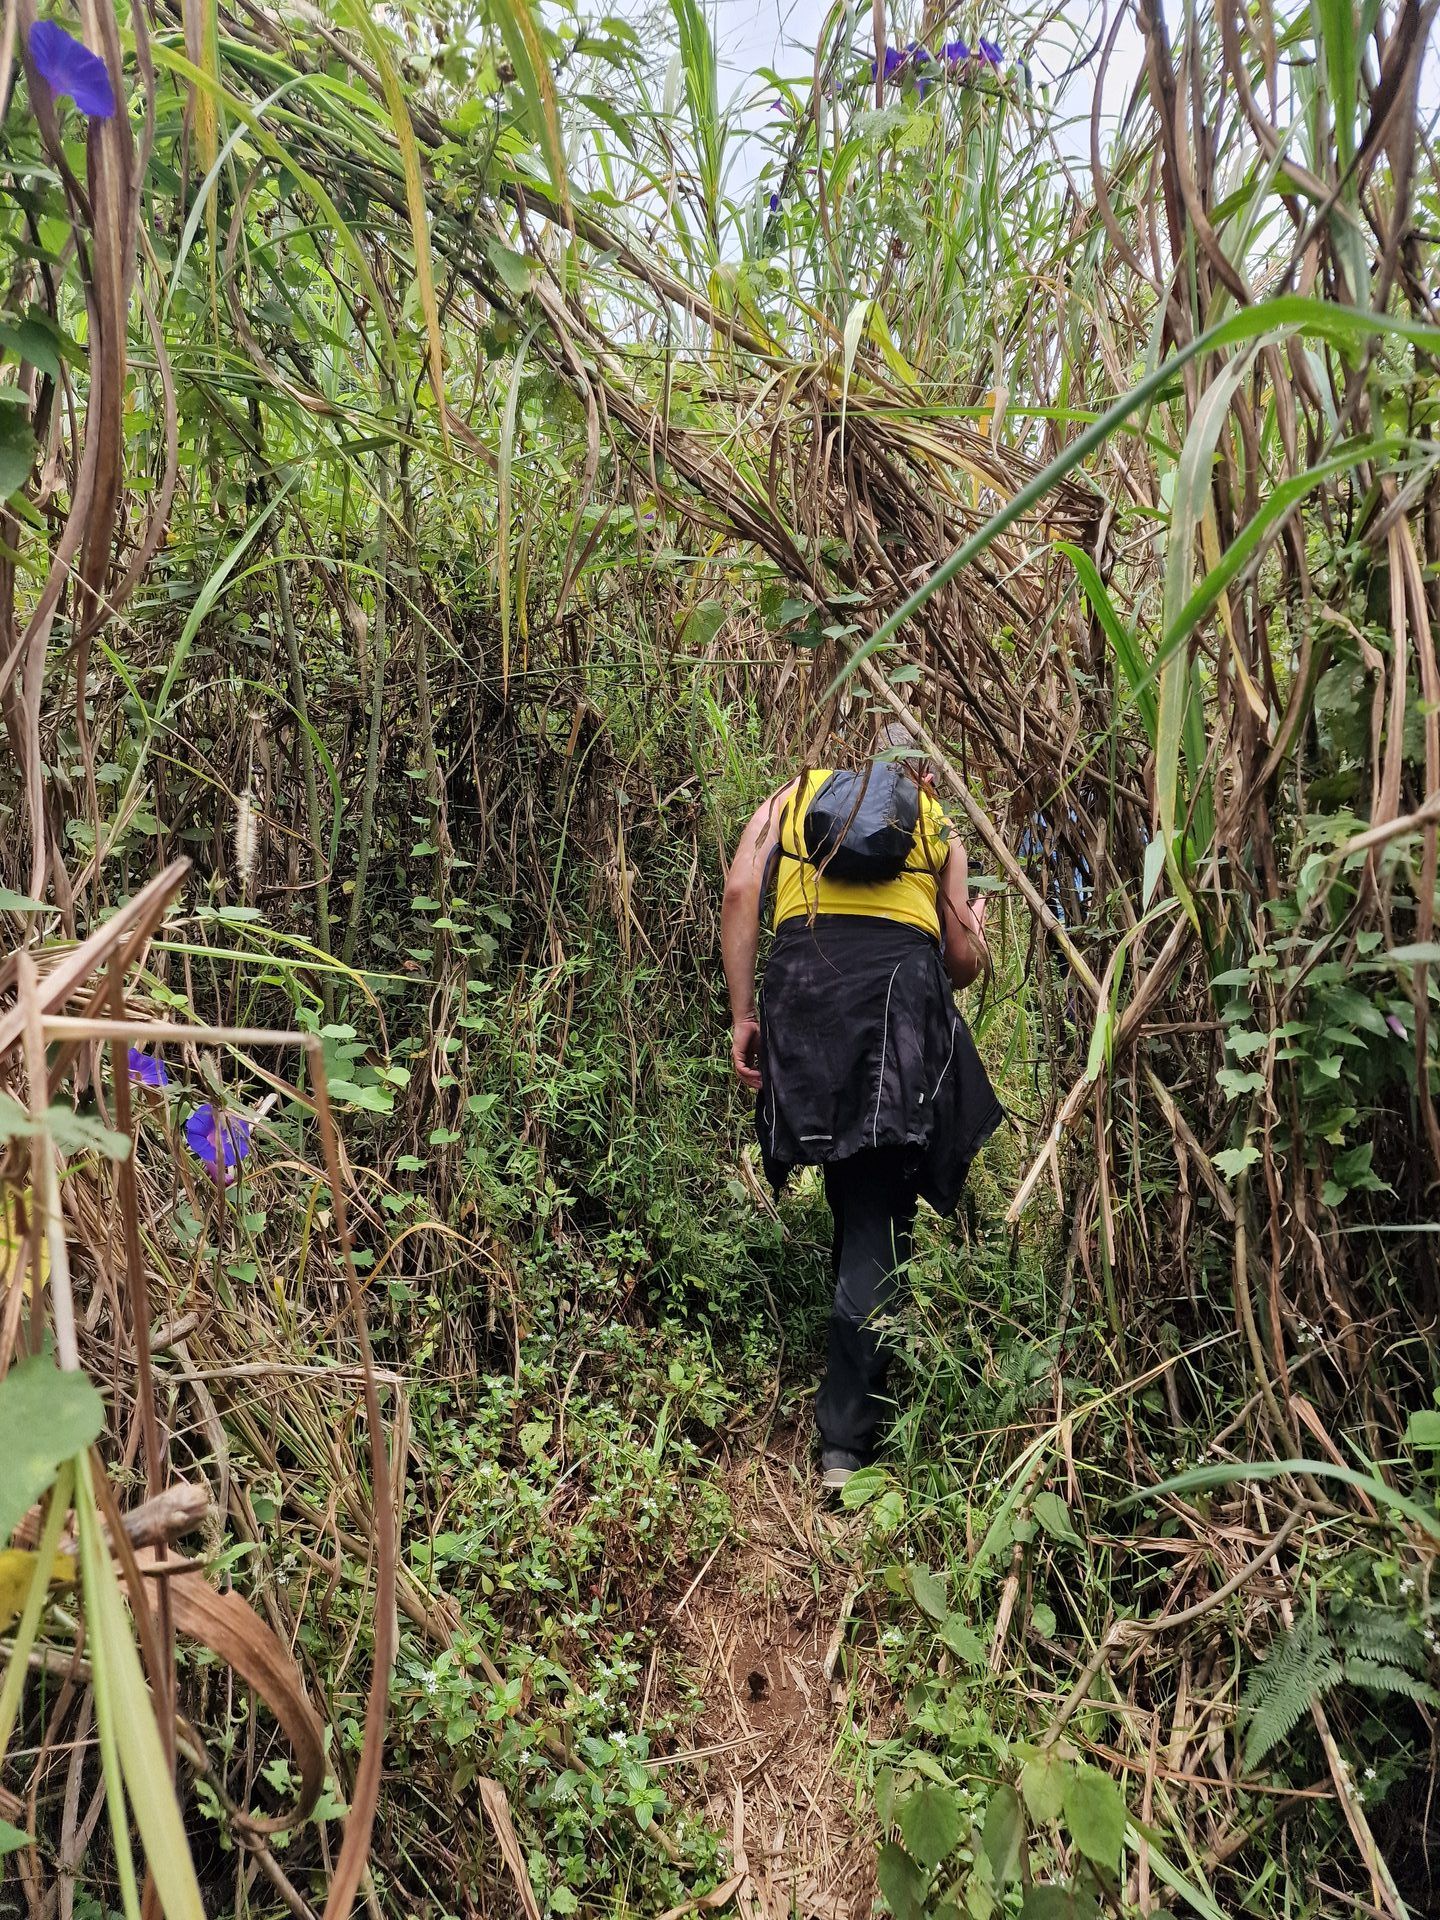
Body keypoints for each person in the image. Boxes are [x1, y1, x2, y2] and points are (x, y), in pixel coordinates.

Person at [721, 721, 1003, 1494]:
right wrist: (974, 929)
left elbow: (742, 889)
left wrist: (747, 1012)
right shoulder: (932, 818)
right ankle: (845, 1442)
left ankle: (874, 1350)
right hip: (891, 1003)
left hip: (805, 988)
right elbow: (960, 963)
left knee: (859, 1172)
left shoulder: (794, 796)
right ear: (917, 769)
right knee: (880, 1195)